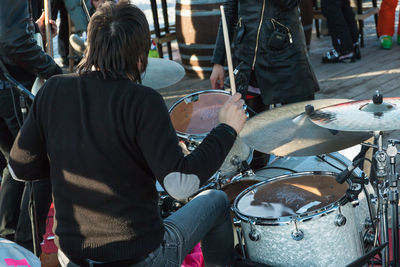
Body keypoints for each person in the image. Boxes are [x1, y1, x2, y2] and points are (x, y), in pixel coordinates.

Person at [8, 1, 247, 266]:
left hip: (74, 257)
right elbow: (181, 185)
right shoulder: (144, 100)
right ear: (140, 57)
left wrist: (68, 160)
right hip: (140, 256)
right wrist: (226, 129)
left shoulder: (52, 90)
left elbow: (19, 169)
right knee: (216, 200)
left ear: (91, 47)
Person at [210, 0, 320, 169]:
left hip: (287, 58)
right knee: (253, 146)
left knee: (302, 141)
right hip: (247, 63)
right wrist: (218, 61)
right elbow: (229, 9)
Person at [0, 0, 62, 252]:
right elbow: (11, 40)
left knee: (13, 164)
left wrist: (33, 31)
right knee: (40, 164)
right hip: (9, 87)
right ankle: (25, 247)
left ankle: (8, 243)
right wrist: (55, 73)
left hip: (6, 84)